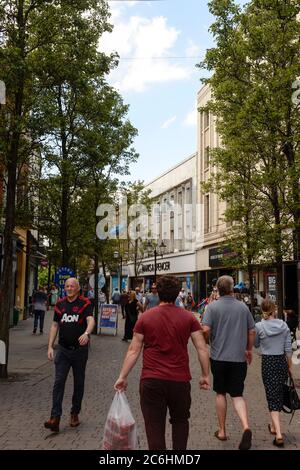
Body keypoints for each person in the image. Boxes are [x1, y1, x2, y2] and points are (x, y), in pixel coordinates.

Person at [114, 275, 210, 450]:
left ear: (157, 292)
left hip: (151, 381)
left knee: (154, 427)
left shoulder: (146, 317)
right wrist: (205, 375)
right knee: (181, 422)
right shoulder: (189, 318)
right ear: (177, 294)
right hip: (180, 381)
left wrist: (123, 376)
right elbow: (202, 348)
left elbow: (134, 350)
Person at [201, 275, 256, 451]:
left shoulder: (212, 307)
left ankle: (222, 431)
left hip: (219, 357)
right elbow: (252, 331)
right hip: (238, 358)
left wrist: (208, 341)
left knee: (220, 393)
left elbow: (205, 330)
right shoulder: (242, 307)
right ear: (232, 289)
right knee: (237, 394)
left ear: (217, 289)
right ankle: (246, 426)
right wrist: (248, 349)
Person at [44, 277, 95, 433]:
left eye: (72, 286)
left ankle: (74, 413)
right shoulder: (60, 304)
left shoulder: (85, 303)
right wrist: (50, 346)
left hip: (79, 351)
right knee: (59, 382)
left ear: (78, 288)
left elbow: (91, 320)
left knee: (79, 383)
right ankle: (55, 418)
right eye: (67, 286)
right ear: (64, 288)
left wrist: (87, 333)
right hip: (63, 350)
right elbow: (54, 325)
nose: (69, 288)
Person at [254, 299, 292, 447]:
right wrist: (289, 366)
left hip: (268, 362)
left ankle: (278, 434)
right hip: (281, 361)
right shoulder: (284, 325)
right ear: (274, 310)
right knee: (279, 393)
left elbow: (256, 344)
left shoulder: (259, 326)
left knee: (271, 395)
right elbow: (288, 348)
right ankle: (273, 425)